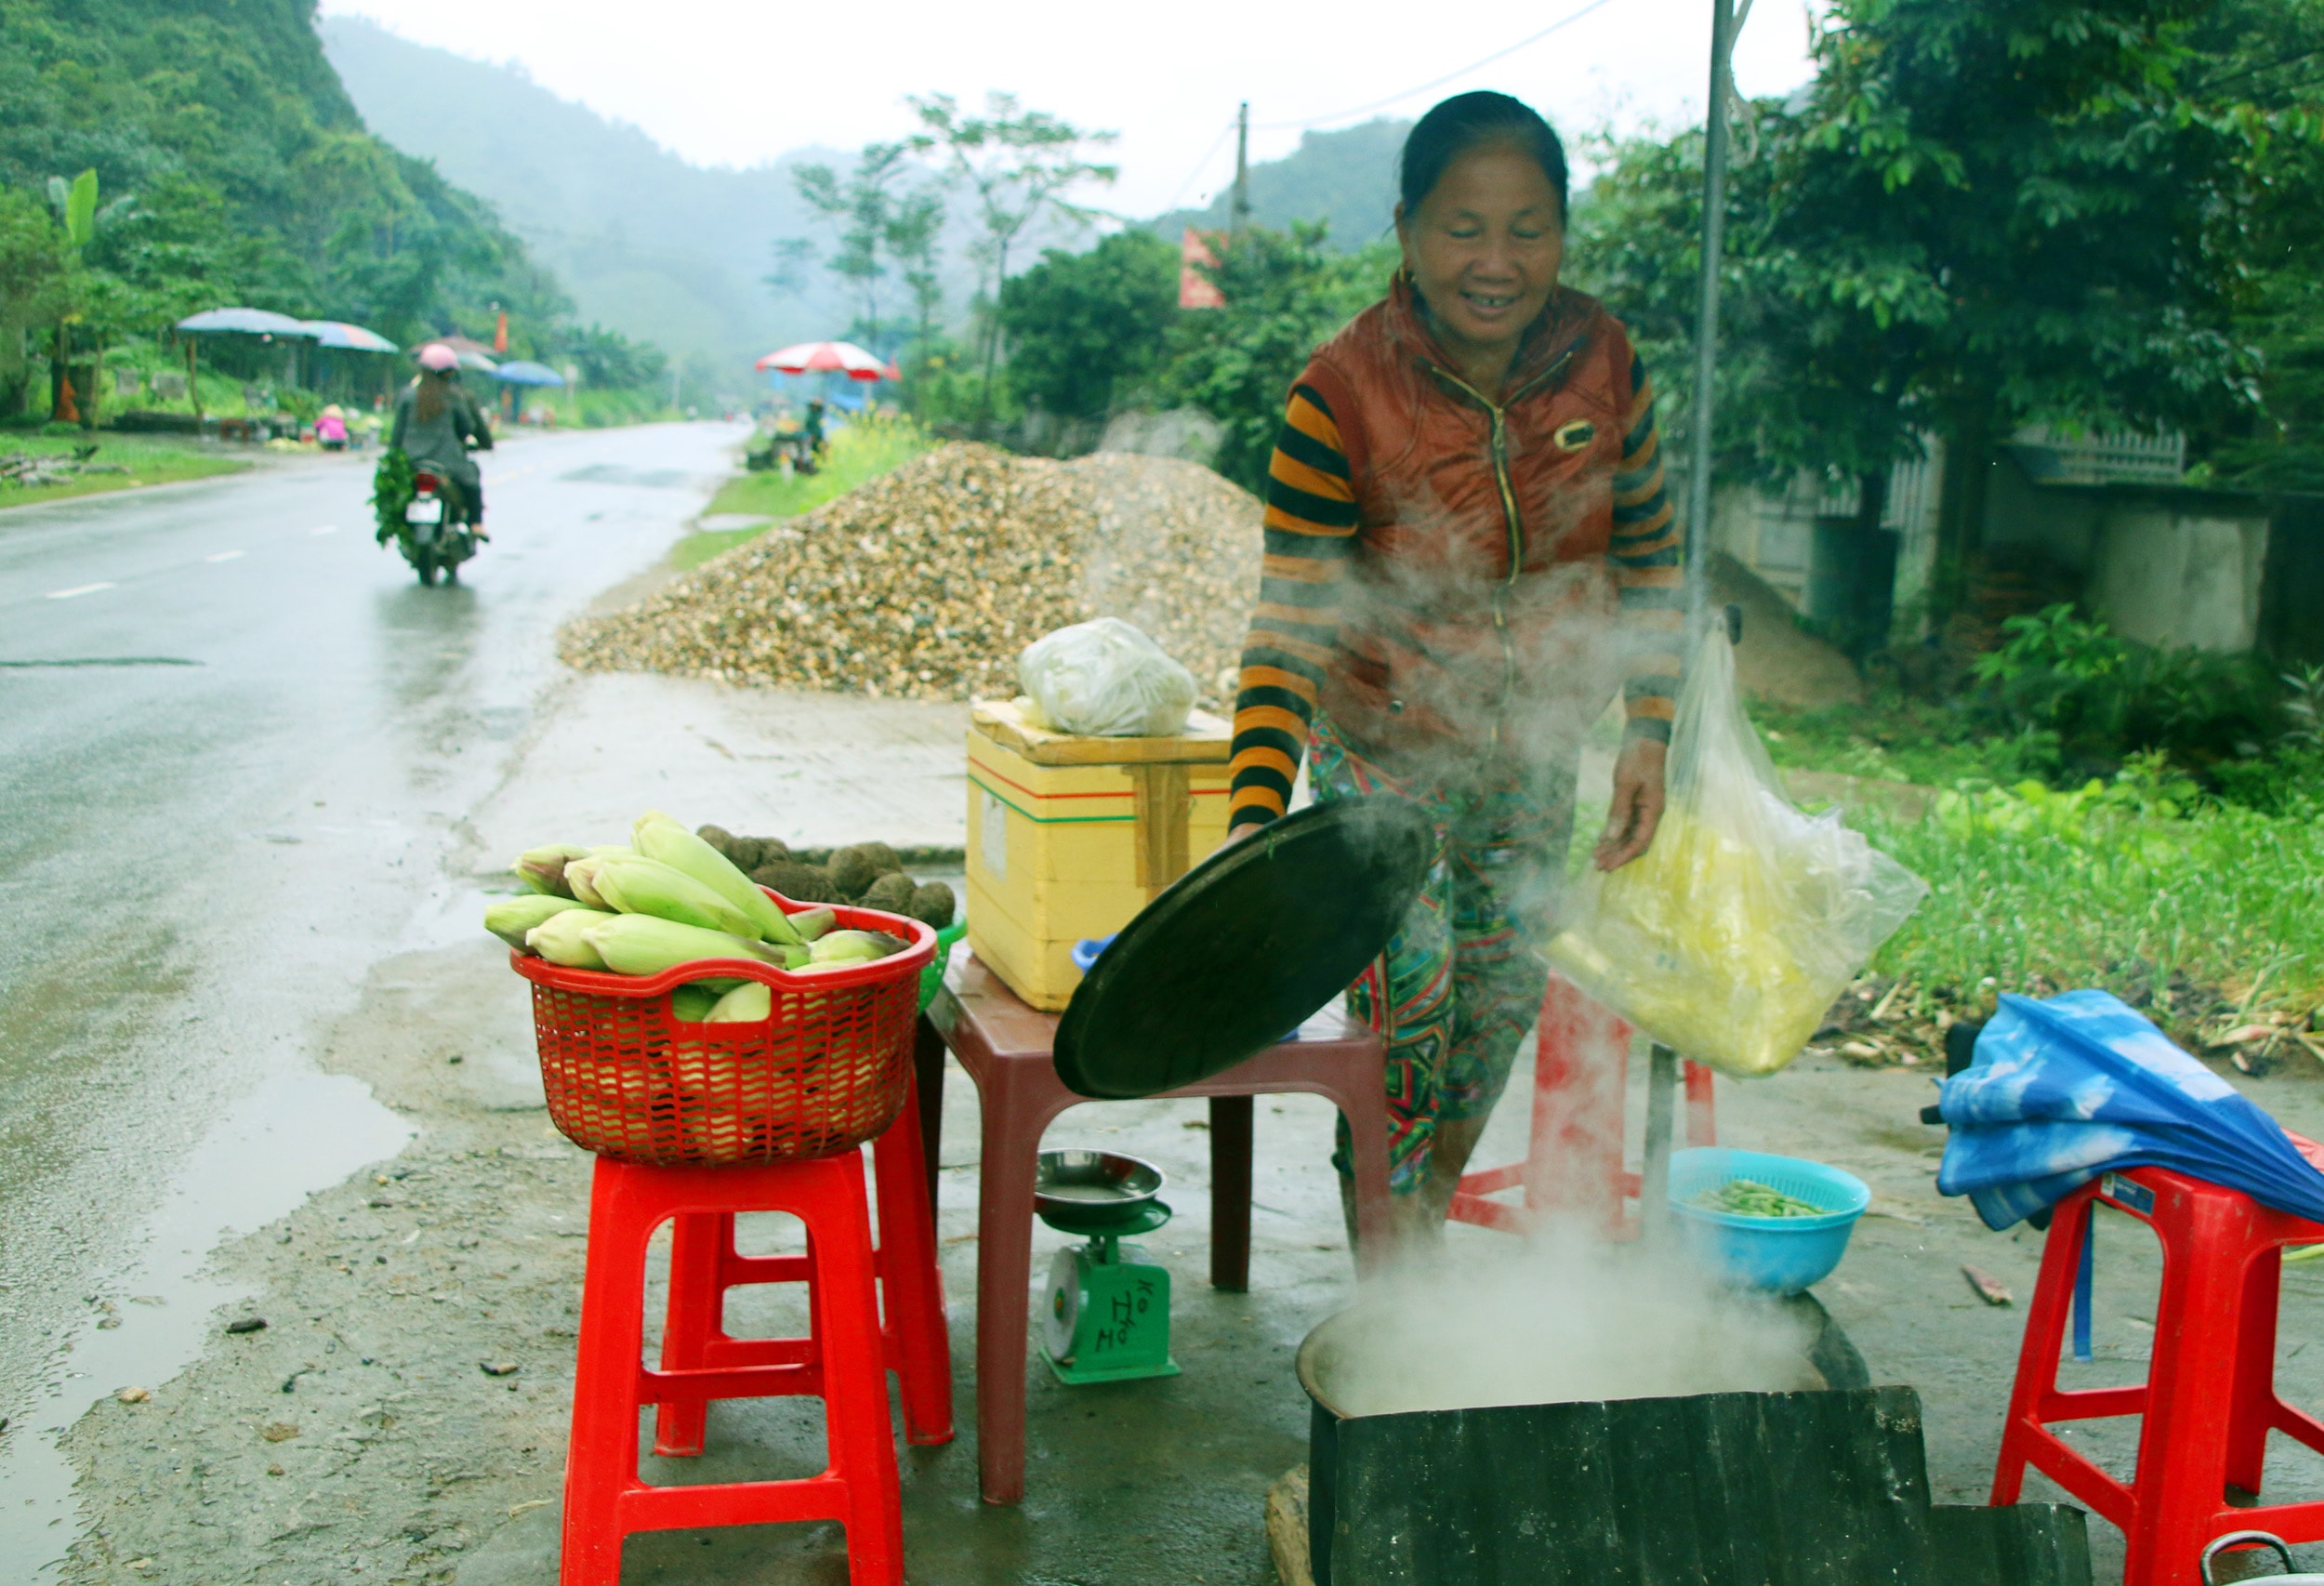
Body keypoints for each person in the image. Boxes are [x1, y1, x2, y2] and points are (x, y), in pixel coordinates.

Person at [1224, 92, 1683, 1247]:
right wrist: (1253, 811)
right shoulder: (1338, 394)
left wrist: (1649, 726)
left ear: (1564, 232)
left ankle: (1417, 1218)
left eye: (1527, 227)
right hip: (1383, 747)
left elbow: (1652, 555)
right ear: (1407, 229)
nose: (1496, 261)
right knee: (1411, 1002)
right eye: (1462, 227)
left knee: (1496, 1002)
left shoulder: (1605, 359)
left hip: (1532, 746)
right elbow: (1292, 619)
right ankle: (1389, 1270)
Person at [390, 344, 495, 535]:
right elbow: (467, 427)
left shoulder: (407, 395)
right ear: (448, 373)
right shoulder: (453, 396)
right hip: (447, 462)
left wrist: (395, 459)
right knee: (472, 479)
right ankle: (476, 524)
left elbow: (396, 435)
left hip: (411, 461)